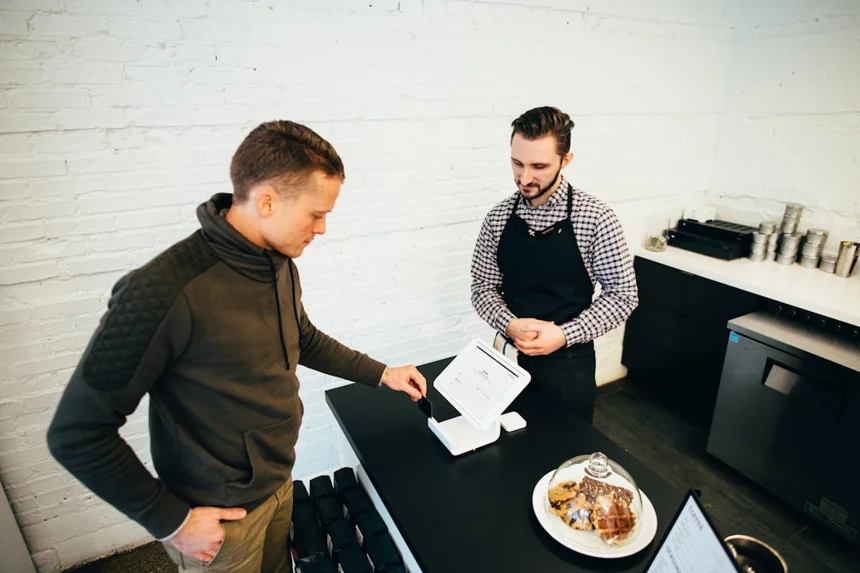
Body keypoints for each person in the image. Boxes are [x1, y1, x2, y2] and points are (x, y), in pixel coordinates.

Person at [47, 120, 427, 573]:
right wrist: (170, 520)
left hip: (278, 484)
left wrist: (381, 373)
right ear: (267, 201)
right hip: (218, 519)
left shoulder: (278, 262)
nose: (323, 228)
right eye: (315, 214)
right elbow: (76, 434)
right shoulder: (161, 291)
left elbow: (302, 337)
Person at [470, 106, 638, 424]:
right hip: (507, 360)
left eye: (539, 166)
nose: (524, 178)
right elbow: (483, 287)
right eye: (517, 163)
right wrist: (509, 323)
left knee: (564, 448)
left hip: (569, 368)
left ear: (566, 160)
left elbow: (623, 296)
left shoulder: (596, 219)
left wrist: (563, 334)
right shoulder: (498, 218)